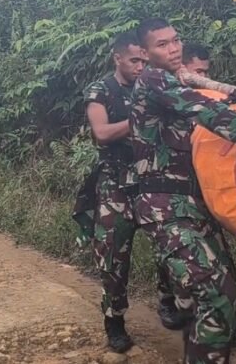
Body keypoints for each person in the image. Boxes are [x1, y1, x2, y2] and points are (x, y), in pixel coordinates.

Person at [129, 18, 236, 363]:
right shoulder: (154, 81)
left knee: (222, 287)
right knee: (214, 291)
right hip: (165, 204)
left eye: (176, 40)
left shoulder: (176, 80)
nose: (173, 48)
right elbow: (208, 111)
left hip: (191, 203)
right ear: (145, 54)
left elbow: (220, 107)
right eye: (162, 44)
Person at [76, 31, 183, 353]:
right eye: (134, 60)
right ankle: (114, 320)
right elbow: (102, 133)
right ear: (118, 58)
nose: (140, 66)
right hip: (115, 186)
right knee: (113, 255)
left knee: (169, 245)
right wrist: (141, 116)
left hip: (153, 180)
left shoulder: (155, 83)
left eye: (144, 60)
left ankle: (168, 303)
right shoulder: (102, 90)